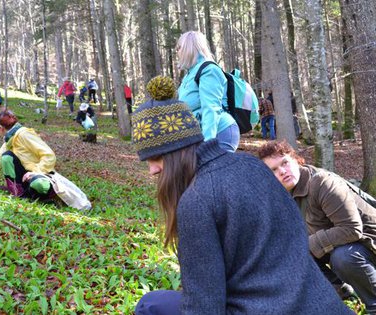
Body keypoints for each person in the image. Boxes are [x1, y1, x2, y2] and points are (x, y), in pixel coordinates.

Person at [132, 76, 352, 315]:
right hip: (321, 304)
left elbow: (204, 308)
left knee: (150, 305)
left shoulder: (197, 200)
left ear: (175, 153)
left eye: (155, 158)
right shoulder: (252, 164)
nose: (152, 169)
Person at [258, 140, 376, 312]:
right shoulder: (279, 198)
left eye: (285, 163)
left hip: (368, 243)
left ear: (297, 161)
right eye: (274, 170)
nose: (282, 171)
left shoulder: (322, 183)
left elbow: (351, 229)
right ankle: (340, 299)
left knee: (343, 257)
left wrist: (304, 245)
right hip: (338, 246)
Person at [176, 31, 239, 152]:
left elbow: (211, 108)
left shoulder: (209, 70)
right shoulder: (189, 74)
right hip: (199, 137)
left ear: (189, 48)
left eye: (179, 48)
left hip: (220, 133)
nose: (177, 52)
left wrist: (207, 145)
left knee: (215, 170)